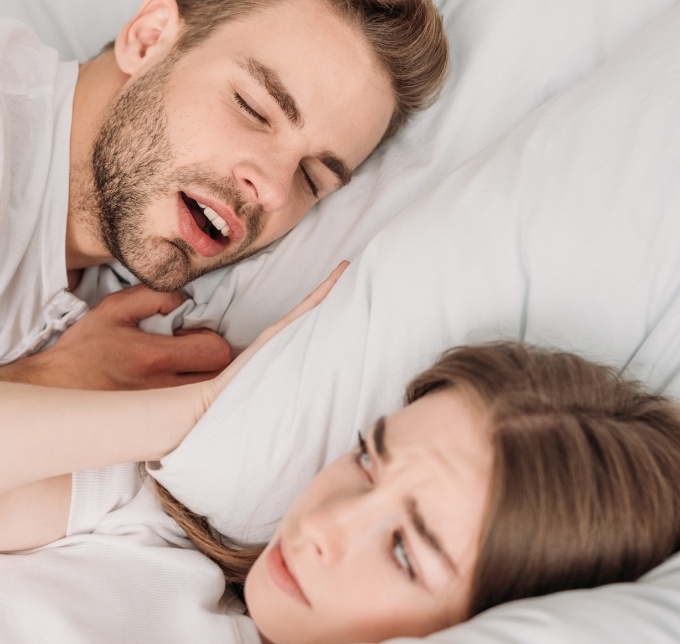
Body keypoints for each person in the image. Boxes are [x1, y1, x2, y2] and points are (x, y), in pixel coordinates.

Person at [3, 270, 680, 642]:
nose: (323, 527)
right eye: (365, 461)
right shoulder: (146, 527)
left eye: (406, 552)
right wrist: (198, 411)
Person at [0, 0, 449, 390]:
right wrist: (49, 382)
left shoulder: (128, 322)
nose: (273, 190)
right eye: (253, 109)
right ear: (148, 38)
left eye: (310, 179)